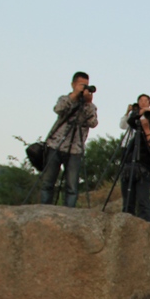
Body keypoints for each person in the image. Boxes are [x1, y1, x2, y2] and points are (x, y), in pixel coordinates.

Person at [39, 71, 98, 208]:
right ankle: (44, 209)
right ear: (73, 85)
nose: (84, 88)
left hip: (75, 148)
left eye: (86, 85)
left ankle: (69, 213)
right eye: (81, 85)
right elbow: (58, 109)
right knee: (48, 181)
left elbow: (93, 123)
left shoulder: (90, 106)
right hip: (56, 145)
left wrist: (88, 104)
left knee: (72, 185)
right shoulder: (65, 99)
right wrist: (74, 96)